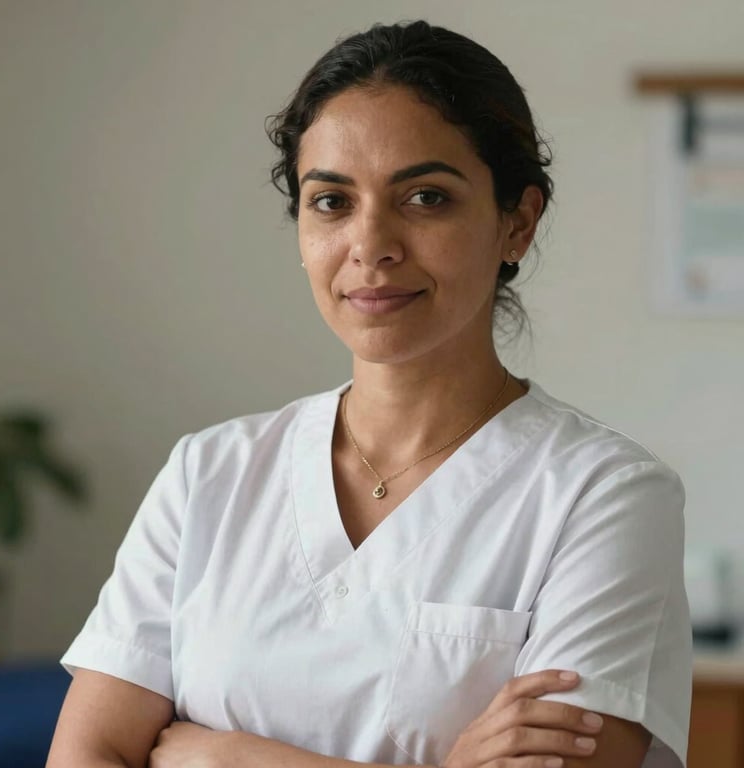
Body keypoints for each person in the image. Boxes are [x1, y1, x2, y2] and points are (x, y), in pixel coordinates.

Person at [47, 20, 691, 768]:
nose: (372, 244)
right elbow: (86, 755)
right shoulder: (208, 476)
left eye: (425, 197)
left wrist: (221, 757)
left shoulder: (605, 495)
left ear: (517, 222)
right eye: (331, 201)